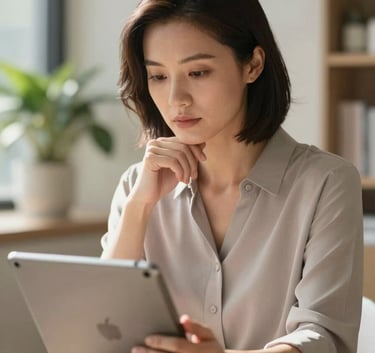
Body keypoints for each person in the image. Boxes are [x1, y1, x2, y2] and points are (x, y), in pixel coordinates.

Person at [101, 1, 364, 352]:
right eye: (159, 76)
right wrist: (140, 207)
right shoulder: (137, 186)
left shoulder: (326, 183)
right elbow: (102, 326)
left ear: (252, 65)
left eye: (198, 73)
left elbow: (324, 339)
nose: (176, 99)